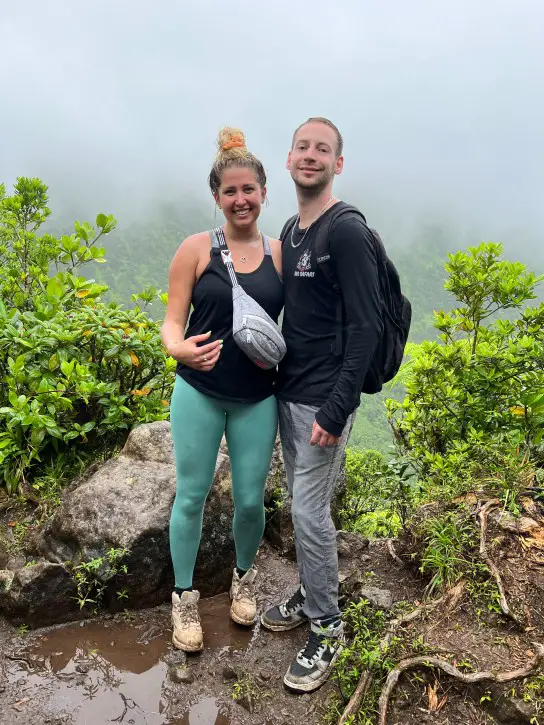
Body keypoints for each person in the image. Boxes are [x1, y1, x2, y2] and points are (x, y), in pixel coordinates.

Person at [261, 118, 383, 692]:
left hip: (323, 402)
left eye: (323, 150)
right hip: (289, 391)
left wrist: (336, 411)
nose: (311, 156)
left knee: (309, 512)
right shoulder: (291, 229)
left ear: (338, 164)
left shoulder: (346, 231)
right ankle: (313, 590)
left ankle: (328, 625)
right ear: (288, 160)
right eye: (303, 147)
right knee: (300, 503)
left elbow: (366, 327)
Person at [161, 128, 283, 653]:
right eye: (230, 192)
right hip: (199, 391)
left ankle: (243, 580)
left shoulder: (281, 253)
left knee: (251, 501)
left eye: (249, 190)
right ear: (217, 197)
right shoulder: (195, 249)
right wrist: (180, 350)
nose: (240, 200)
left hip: (257, 397)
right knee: (191, 495)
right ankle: (184, 597)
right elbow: (170, 324)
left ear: (263, 193)